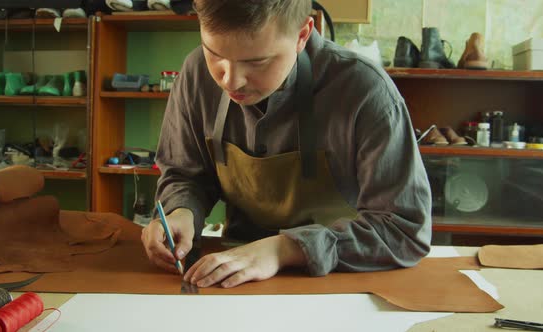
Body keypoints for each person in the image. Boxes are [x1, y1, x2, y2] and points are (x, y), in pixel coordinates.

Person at [141, 0, 432, 289]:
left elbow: (403, 230)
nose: (231, 81)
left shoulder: (365, 92)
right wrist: (181, 212)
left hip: (340, 276)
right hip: (235, 274)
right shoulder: (195, 74)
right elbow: (185, 175)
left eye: (256, 62)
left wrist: (285, 249)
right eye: (214, 53)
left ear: (302, 35)